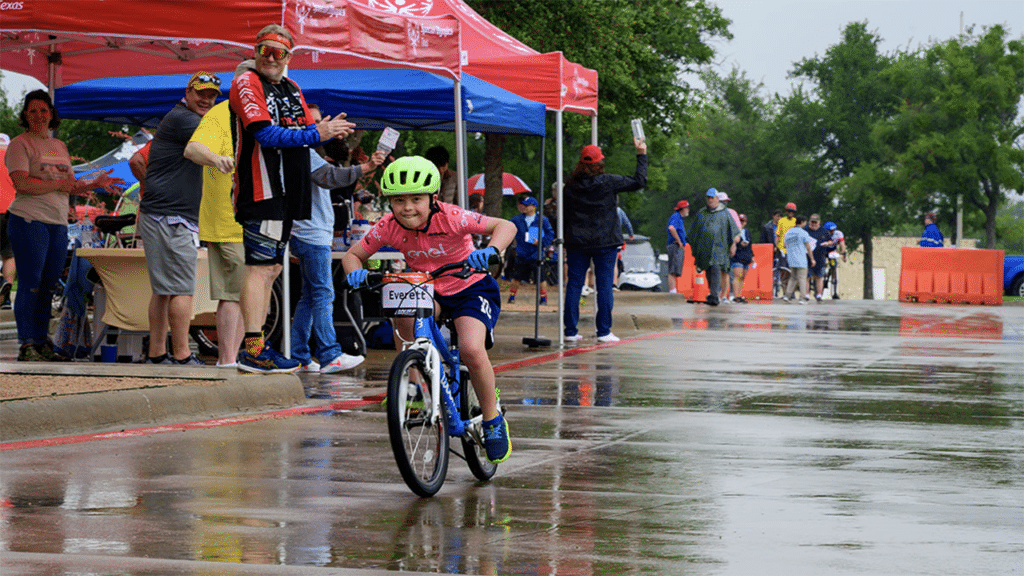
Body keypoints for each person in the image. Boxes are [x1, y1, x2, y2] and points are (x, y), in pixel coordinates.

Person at [342, 156, 516, 463]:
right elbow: (352, 255)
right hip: (427, 289)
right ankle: (413, 383)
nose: (407, 208)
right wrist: (355, 271)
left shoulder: (452, 217)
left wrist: (491, 250)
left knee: (471, 349)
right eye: (398, 200)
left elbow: (505, 225)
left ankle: (492, 420)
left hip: (469, 288)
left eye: (416, 199)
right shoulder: (387, 226)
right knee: (402, 312)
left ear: (433, 198)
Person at [229, 24, 355, 374]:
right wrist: (318, 131)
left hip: (289, 194)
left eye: (279, 52)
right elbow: (266, 134)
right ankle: (253, 349)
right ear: (255, 50)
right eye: (265, 49)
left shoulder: (291, 87)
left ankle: (263, 349)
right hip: (262, 189)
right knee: (259, 268)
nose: (270, 57)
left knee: (272, 268)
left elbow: (301, 136)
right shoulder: (246, 82)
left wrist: (321, 131)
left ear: (289, 56)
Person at [4, 90, 122, 361]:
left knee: (48, 286)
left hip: (57, 223)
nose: (38, 115)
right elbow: (22, 183)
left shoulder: (59, 147)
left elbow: (70, 185)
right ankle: (26, 343)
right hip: (28, 220)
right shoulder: (20, 145)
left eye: (43, 110)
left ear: (51, 115)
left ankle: (41, 340)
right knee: (30, 283)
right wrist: (58, 184)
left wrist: (94, 183)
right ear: (25, 115)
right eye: (32, 111)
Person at [290, 104, 383, 374]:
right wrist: (365, 167)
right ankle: (329, 354)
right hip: (310, 233)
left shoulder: (303, 151)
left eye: (321, 121)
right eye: (316, 122)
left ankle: (300, 356)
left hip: (307, 232)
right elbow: (330, 177)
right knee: (323, 293)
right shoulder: (302, 153)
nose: (321, 126)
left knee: (309, 296)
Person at [139, 71, 221, 366]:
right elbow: (222, 141)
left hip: (159, 213)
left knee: (163, 289)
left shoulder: (177, 117)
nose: (206, 100)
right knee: (182, 288)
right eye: (201, 93)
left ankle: (158, 353)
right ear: (188, 92)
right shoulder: (186, 120)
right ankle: (183, 355)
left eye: (212, 95)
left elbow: (138, 159)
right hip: (173, 216)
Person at [183, 65, 250, 368]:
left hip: (258, 220)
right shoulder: (219, 115)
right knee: (233, 293)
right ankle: (227, 361)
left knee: (249, 292)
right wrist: (217, 159)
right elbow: (193, 149)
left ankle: (238, 358)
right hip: (227, 220)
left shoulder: (260, 115)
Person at [563, 139, 647, 342]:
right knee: (604, 286)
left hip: (577, 242)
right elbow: (639, 181)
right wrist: (641, 154)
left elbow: (563, 214)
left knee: (574, 285)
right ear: (600, 163)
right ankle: (603, 331)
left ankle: (570, 331)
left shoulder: (570, 187)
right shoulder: (608, 182)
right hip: (605, 241)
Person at [687, 188, 740, 306]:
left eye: (712, 198)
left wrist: (732, 245)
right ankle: (713, 293)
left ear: (717, 199)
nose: (710, 200)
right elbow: (694, 231)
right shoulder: (701, 213)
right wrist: (695, 245)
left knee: (716, 268)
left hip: (719, 248)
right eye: (708, 198)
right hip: (704, 248)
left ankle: (715, 296)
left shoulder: (724, 213)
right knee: (708, 270)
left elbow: (732, 231)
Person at [507, 195, 554, 305]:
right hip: (522, 253)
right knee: (516, 277)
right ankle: (511, 297)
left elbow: (550, 233)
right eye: (523, 205)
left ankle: (543, 299)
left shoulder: (542, 219)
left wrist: (541, 242)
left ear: (534, 207)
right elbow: (507, 226)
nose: (524, 207)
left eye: (527, 205)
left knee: (541, 278)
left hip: (536, 254)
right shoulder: (517, 219)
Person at [783, 215, 814, 303]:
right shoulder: (803, 233)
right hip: (801, 259)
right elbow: (808, 247)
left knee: (793, 278)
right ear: (802, 222)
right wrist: (812, 259)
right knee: (802, 279)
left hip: (791, 258)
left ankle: (787, 295)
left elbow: (785, 245)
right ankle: (802, 298)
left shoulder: (788, 232)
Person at [804, 214, 833, 302]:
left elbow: (830, 241)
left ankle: (819, 295)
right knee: (807, 277)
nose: (813, 224)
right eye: (812, 222)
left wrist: (828, 244)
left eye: (815, 222)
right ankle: (806, 295)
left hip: (820, 257)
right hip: (807, 258)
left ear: (819, 222)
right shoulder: (805, 230)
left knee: (819, 277)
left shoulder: (824, 231)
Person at [666, 200, 689, 293]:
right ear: (683, 209)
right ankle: (672, 291)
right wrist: (679, 241)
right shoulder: (676, 216)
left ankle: (673, 290)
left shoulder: (679, 218)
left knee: (675, 270)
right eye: (687, 208)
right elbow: (671, 227)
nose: (688, 210)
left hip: (676, 246)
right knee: (673, 270)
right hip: (675, 245)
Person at [730, 213, 753, 302]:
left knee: (743, 277)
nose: (742, 223)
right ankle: (736, 296)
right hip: (737, 255)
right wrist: (740, 244)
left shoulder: (747, 231)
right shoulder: (734, 231)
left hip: (746, 255)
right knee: (738, 276)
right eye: (740, 221)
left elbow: (750, 244)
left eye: (743, 221)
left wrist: (752, 255)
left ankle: (739, 295)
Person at [823, 221, 847, 299]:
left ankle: (835, 292)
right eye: (830, 231)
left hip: (832, 252)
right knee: (821, 265)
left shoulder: (839, 233)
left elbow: (842, 245)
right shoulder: (823, 234)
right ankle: (823, 277)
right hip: (823, 251)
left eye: (833, 230)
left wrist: (844, 255)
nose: (832, 232)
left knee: (833, 266)